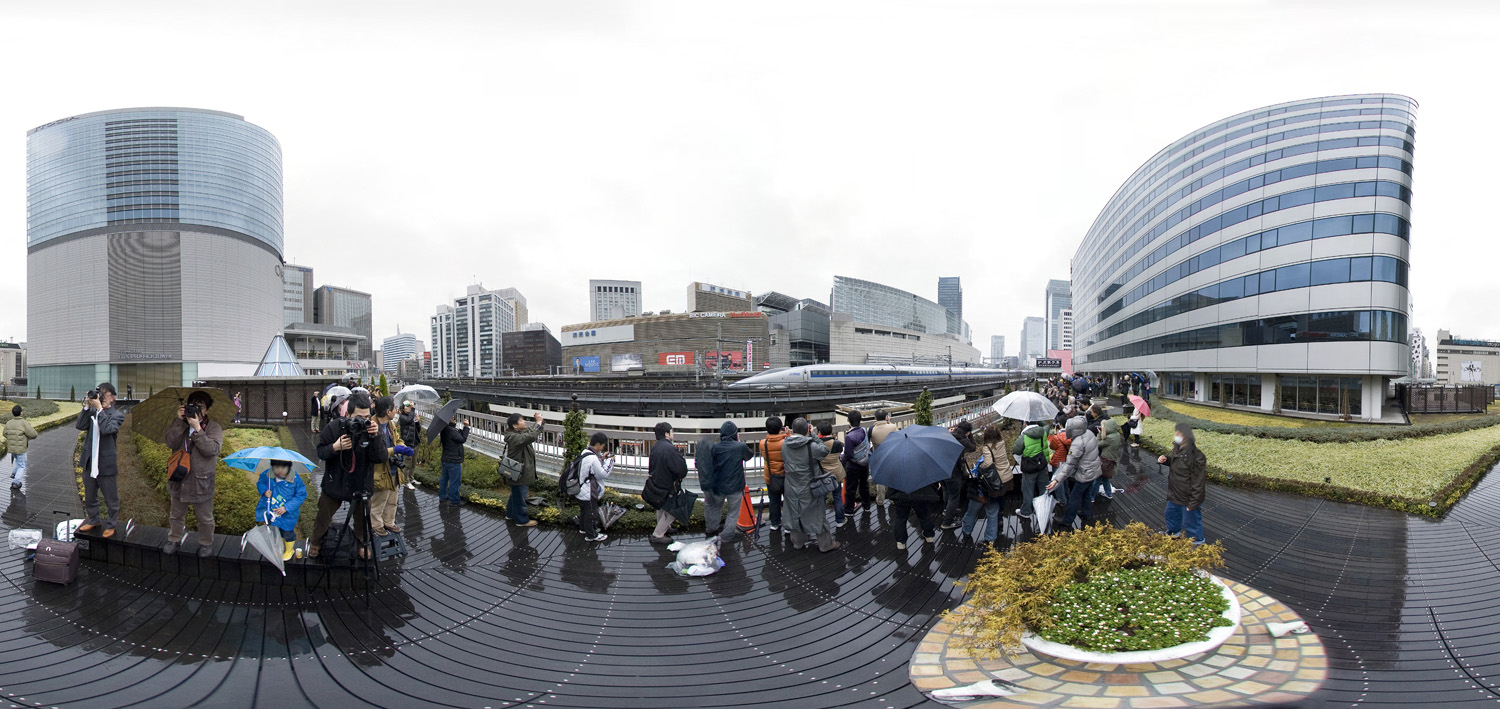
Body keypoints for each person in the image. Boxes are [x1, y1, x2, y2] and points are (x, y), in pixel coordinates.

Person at [309, 391, 388, 559]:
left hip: (361, 483)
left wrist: (375, 437)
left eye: (367, 416)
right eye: (358, 417)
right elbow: (321, 452)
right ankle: (316, 541)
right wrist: (334, 447)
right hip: (335, 481)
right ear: (347, 414)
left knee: (362, 520)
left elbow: (381, 457)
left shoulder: (372, 428)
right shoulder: (334, 427)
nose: (363, 421)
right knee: (323, 515)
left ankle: (362, 544)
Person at [163, 390, 225, 556]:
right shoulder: (180, 424)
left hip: (201, 480)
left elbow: (213, 450)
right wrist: (179, 421)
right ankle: (174, 539)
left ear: (207, 409)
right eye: (193, 405)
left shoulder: (213, 427)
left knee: (205, 518)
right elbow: (170, 442)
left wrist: (197, 429)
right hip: (179, 478)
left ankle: (206, 543)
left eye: (201, 406)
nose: (197, 409)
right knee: (176, 515)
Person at [780, 418, 839, 552]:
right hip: (809, 484)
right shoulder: (811, 446)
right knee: (817, 514)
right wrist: (813, 435)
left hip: (791, 484)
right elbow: (824, 451)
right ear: (807, 429)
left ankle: (798, 542)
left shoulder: (785, 444)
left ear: (793, 430)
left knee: (794, 512)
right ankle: (825, 545)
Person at [76, 382, 124, 537]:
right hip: (90, 461)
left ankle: (111, 525)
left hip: (105, 463)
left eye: (104, 394)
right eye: (99, 394)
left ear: (113, 397)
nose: (101, 397)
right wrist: (86, 406)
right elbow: (80, 425)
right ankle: (94, 519)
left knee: (111, 498)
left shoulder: (117, 415)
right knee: (89, 495)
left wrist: (99, 409)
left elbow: (107, 429)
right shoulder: (92, 411)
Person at [369, 396, 415, 536]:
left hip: (393, 468)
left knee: (392, 500)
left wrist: (402, 446)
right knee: (378, 502)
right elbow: (375, 453)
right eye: (394, 408)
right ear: (388, 411)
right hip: (380, 470)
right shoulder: (371, 426)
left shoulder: (390, 424)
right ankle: (377, 526)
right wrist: (395, 450)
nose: (396, 410)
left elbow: (398, 439)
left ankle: (389, 522)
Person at [700, 421, 753, 542]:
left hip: (718, 485)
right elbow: (749, 456)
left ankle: (711, 529)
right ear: (735, 433)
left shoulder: (715, 447)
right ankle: (727, 535)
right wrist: (739, 442)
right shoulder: (740, 447)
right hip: (735, 486)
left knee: (715, 508)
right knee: (733, 512)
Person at [1046, 416, 1103, 528]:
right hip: (1094, 470)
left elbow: (1070, 464)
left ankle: (1067, 520)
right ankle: (1086, 514)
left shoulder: (1077, 443)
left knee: (1074, 497)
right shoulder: (1089, 433)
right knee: (1086, 493)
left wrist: (1057, 479)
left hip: (1085, 473)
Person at [962, 424, 1012, 546]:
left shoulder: (987, 447)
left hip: (990, 483)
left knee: (973, 510)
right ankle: (990, 538)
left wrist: (980, 467)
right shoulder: (1002, 443)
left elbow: (988, 463)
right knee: (993, 511)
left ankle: (966, 531)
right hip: (1004, 479)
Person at [1158, 423, 1208, 545]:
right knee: (1171, 515)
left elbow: (1198, 482)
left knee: (1192, 522)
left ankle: (1197, 543)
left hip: (1188, 497)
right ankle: (1173, 534)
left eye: (1180, 434)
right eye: (1176, 433)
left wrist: (1194, 502)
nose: (1177, 436)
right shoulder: (1177, 449)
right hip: (1175, 492)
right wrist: (1167, 460)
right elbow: (1179, 465)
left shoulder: (1197, 457)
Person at [643, 422, 687, 544]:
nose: (673, 434)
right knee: (672, 510)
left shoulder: (656, 446)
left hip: (658, 483)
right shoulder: (669, 448)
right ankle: (658, 534)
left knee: (661, 507)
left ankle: (663, 528)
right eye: (672, 431)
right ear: (667, 434)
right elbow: (681, 469)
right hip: (668, 484)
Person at [255, 460, 308, 561]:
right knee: (273, 530)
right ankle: (278, 546)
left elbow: (301, 495)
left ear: (289, 467)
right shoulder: (268, 474)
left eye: (282, 468)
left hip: (287, 514)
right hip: (272, 511)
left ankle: (289, 550)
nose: (279, 470)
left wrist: (286, 507)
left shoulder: (295, 479)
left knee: (287, 531)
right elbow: (260, 483)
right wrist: (264, 491)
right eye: (276, 467)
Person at [502, 411, 545, 527]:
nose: (524, 421)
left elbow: (531, 432)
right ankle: (522, 520)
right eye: (521, 420)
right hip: (519, 473)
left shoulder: (516, 434)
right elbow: (531, 436)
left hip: (516, 472)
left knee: (515, 495)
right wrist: (539, 422)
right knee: (520, 496)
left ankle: (510, 515)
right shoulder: (514, 438)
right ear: (515, 426)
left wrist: (539, 422)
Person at [577, 432, 613, 543]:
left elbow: (592, 468)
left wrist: (601, 458)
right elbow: (602, 474)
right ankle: (591, 535)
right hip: (588, 491)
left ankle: (583, 529)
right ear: (598, 444)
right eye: (602, 446)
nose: (602, 448)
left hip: (581, 489)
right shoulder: (592, 457)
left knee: (584, 511)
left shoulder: (585, 452)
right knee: (591, 513)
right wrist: (610, 460)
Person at [940, 420, 977, 530]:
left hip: (943, 468)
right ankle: (947, 522)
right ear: (967, 432)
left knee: (946, 490)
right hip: (953, 471)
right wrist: (971, 435)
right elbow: (973, 447)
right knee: (954, 497)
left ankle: (947, 510)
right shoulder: (962, 439)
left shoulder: (949, 434)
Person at [1011, 420, 1051, 519]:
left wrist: (1022, 463)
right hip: (1042, 465)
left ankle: (1026, 511)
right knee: (1043, 489)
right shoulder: (1044, 431)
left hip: (1029, 468)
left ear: (1025, 423)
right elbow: (1046, 425)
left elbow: (1016, 451)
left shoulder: (1023, 436)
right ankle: (1043, 511)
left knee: (1028, 490)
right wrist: (1038, 418)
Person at [759, 417, 788, 530]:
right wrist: (787, 435)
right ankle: (788, 525)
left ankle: (775, 523)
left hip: (771, 477)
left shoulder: (763, 443)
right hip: (786, 476)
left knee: (774, 501)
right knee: (788, 501)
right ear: (780, 428)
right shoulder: (786, 442)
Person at [839, 411, 871, 514]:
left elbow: (848, 455)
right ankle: (867, 506)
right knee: (864, 486)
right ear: (860, 420)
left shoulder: (849, 436)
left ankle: (849, 510)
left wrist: (841, 457)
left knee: (851, 488)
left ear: (848, 421)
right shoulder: (863, 430)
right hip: (865, 464)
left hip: (853, 466)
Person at [817, 421, 847, 528]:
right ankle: (840, 520)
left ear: (819, 432)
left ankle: (821, 521)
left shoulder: (817, 444)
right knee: (837, 496)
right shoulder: (837, 443)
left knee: (822, 499)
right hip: (836, 472)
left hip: (822, 474)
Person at [5, 405, 38, 494]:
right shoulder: (24, 423)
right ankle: (16, 482)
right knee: (22, 465)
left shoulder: (9, 423)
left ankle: (14, 473)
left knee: (17, 460)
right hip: (21, 448)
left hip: (12, 448)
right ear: (21, 413)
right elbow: (33, 434)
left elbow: (4, 433)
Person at [869, 409, 898, 506]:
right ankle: (892, 498)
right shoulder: (892, 426)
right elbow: (898, 437)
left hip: (878, 456)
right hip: (891, 455)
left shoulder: (872, 429)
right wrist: (889, 421)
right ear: (886, 417)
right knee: (892, 478)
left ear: (875, 418)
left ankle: (880, 500)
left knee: (880, 479)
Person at [438, 415, 469, 505]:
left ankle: (443, 496)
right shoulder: (451, 431)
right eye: (452, 417)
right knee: (455, 481)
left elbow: (457, 437)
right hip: (453, 460)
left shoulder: (444, 429)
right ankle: (454, 501)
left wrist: (457, 428)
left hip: (446, 459)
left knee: (444, 478)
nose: (454, 418)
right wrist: (466, 427)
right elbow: (462, 439)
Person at [1096, 405, 1123, 499]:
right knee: (1105, 478)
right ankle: (1109, 494)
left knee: (1098, 478)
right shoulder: (1116, 435)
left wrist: (1099, 433)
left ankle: (1091, 497)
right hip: (1110, 459)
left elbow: (1098, 444)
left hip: (1105, 460)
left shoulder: (1110, 438)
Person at [398, 402, 423, 482]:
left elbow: (418, 430)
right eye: (407, 406)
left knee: (413, 463)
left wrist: (417, 422)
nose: (409, 408)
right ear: (403, 408)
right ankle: (406, 481)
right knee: (407, 464)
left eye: (410, 407)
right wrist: (413, 409)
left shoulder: (412, 417)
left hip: (415, 442)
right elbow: (408, 421)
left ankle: (411, 478)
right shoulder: (402, 417)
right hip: (408, 443)